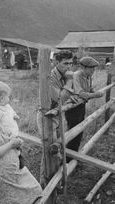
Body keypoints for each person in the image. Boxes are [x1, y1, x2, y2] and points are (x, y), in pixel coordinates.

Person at [37, 50, 78, 187]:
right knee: (49, 150)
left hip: (58, 115)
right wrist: (70, 80)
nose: (69, 67)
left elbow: (68, 96)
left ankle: (56, 180)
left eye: (71, 63)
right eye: (65, 63)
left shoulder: (63, 75)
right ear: (56, 62)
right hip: (46, 116)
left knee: (58, 147)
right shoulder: (50, 77)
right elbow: (59, 98)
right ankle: (44, 185)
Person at [65, 56, 104, 153]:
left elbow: (89, 89)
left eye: (94, 68)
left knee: (79, 131)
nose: (93, 70)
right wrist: (95, 95)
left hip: (81, 106)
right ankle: (68, 159)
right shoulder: (76, 75)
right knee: (73, 132)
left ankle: (73, 155)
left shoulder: (88, 76)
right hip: (72, 107)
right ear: (83, 67)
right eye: (91, 68)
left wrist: (93, 92)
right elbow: (81, 93)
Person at [0, 81, 25, 169]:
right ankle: (16, 161)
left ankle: (18, 158)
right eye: (8, 96)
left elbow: (12, 112)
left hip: (13, 132)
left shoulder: (7, 106)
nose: (9, 98)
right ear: (2, 98)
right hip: (6, 135)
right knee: (12, 148)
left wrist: (15, 116)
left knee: (17, 147)